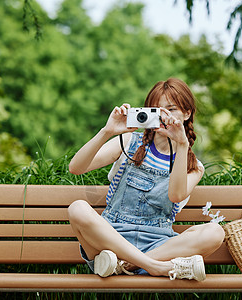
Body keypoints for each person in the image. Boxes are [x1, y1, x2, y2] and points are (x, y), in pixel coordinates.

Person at [68, 78, 224, 281]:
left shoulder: (193, 166)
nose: (164, 116)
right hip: (110, 241)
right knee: (77, 208)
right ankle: (154, 267)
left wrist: (182, 144)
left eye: (171, 109)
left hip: (157, 245)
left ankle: (127, 266)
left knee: (215, 232)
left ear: (187, 113)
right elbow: (76, 168)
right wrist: (107, 131)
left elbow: (176, 195)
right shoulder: (129, 141)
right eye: (157, 110)